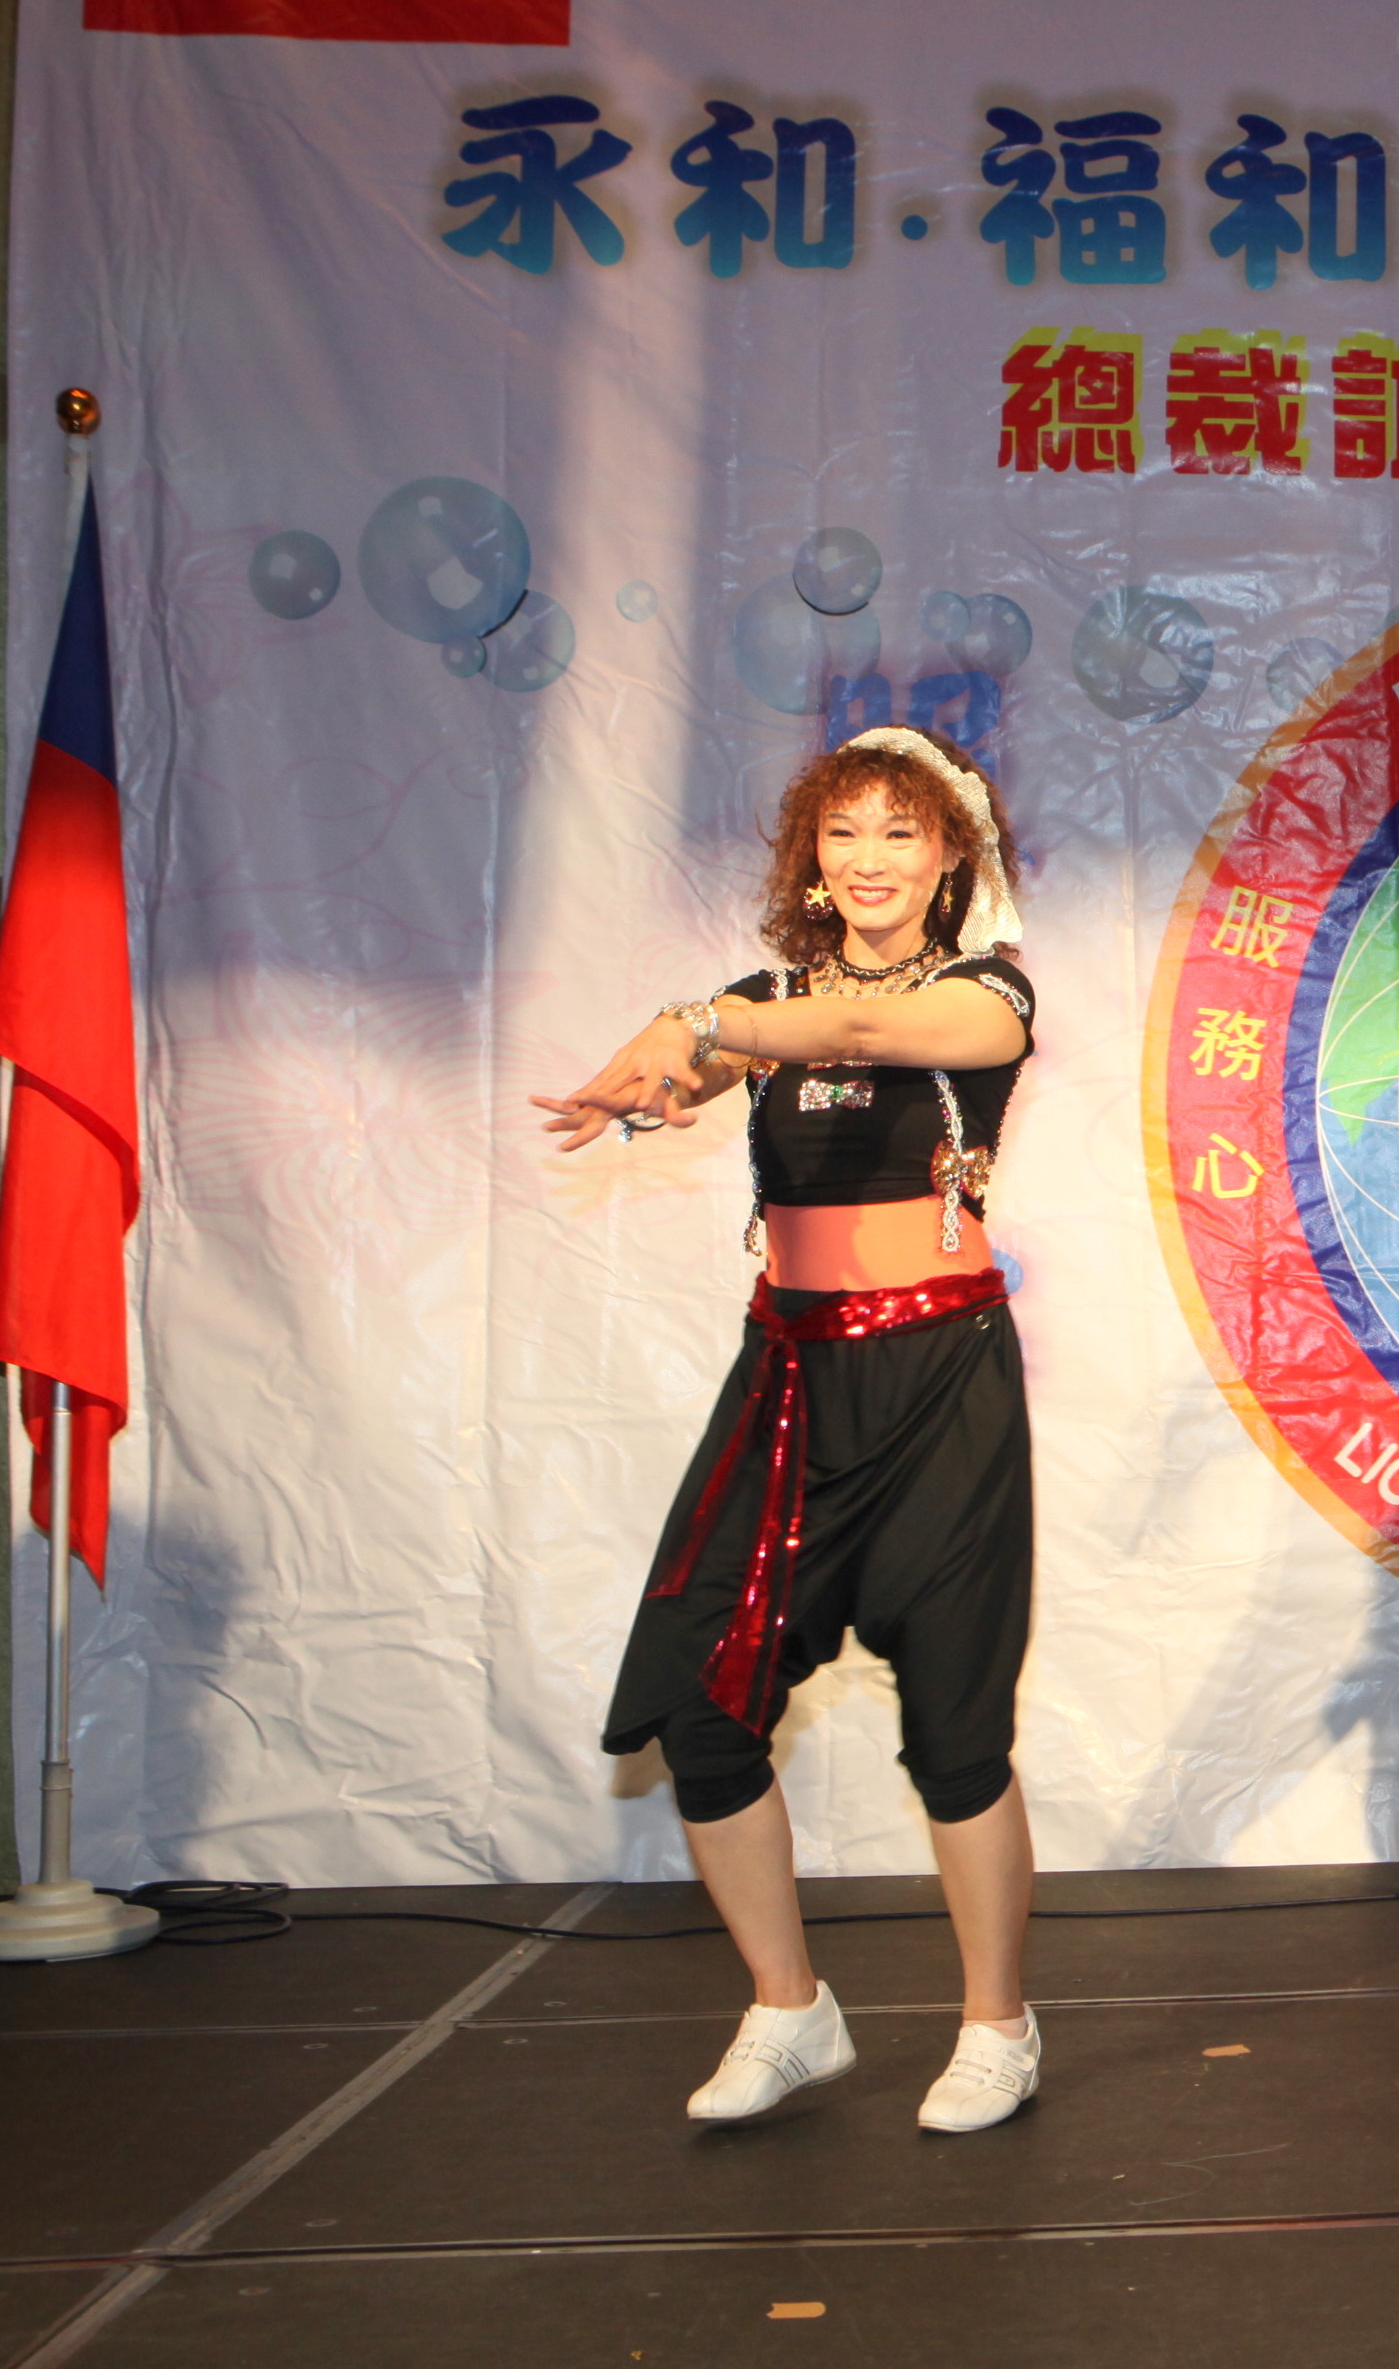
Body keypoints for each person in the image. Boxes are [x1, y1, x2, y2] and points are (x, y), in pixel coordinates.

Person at [535, 727, 1046, 2134]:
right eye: (843, 832)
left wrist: (693, 1023)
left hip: (939, 1382)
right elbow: (712, 1062)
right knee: (699, 1706)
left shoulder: (987, 994)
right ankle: (788, 2006)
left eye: (900, 832)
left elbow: (861, 1034)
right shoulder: (765, 998)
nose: (869, 858)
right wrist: (665, 1066)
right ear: (812, 857)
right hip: (788, 1381)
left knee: (954, 1727)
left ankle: (998, 2024)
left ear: (951, 856)